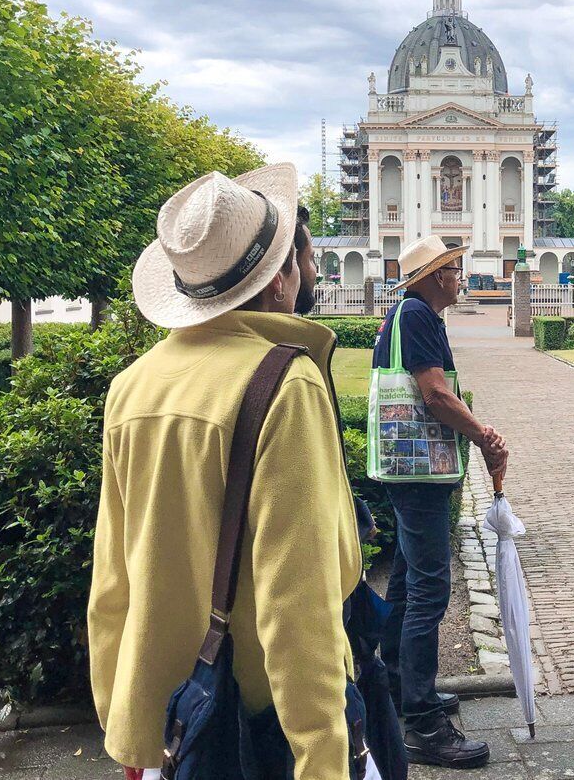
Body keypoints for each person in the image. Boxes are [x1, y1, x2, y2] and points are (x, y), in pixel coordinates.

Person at [89, 164, 362, 780]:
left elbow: (112, 578)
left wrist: (122, 722)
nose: (314, 272)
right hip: (252, 722)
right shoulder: (282, 385)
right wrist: (323, 758)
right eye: (309, 259)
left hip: (166, 720)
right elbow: (299, 608)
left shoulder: (131, 386)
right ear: (280, 280)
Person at [375, 235, 508, 769]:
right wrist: (482, 435)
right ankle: (424, 724)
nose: (461, 278)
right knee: (430, 589)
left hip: (409, 471)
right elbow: (433, 392)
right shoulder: (417, 315)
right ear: (432, 277)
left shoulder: (407, 314)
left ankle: (397, 687)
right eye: (454, 271)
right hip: (420, 475)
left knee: (408, 581)